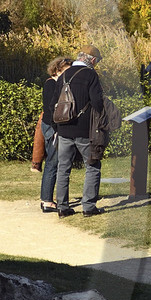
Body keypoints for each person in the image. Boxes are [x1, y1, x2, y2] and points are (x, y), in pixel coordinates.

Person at [50, 45, 108, 217]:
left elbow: (54, 102)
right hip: (84, 130)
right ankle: (88, 207)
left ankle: (62, 206)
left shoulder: (64, 74)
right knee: (92, 166)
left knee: (63, 168)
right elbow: (97, 102)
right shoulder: (91, 75)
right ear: (92, 60)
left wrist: (57, 128)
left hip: (64, 129)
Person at [33, 57, 73, 213]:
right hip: (52, 126)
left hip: (51, 126)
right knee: (53, 163)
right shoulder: (51, 83)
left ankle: (47, 198)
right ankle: (47, 201)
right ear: (57, 70)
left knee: (53, 163)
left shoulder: (56, 83)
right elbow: (51, 109)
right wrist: (56, 129)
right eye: (66, 70)